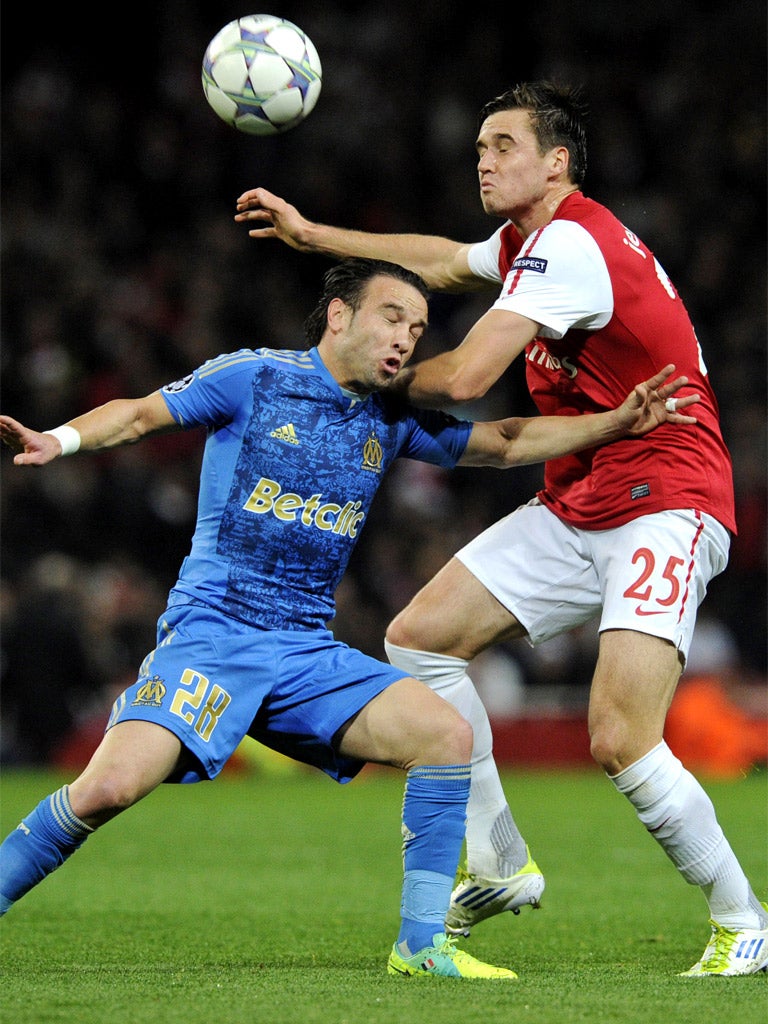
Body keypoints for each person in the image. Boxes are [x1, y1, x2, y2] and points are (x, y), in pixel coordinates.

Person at [0, 258, 695, 980]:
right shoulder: (256, 377)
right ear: (340, 316)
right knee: (106, 790)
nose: (406, 339)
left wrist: (613, 423)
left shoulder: (387, 417)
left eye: (419, 329)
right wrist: (63, 439)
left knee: (446, 735)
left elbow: (506, 442)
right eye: (392, 317)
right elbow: (142, 413)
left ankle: (421, 946)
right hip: (215, 636)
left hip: (306, 651)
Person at [233, 83, 768, 977]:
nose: (482, 158)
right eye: (478, 144)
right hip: (583, 496)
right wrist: (318, 238)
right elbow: (442, 260)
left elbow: (470, 374)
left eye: (502, 144)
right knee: (421, 640)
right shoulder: (532, 243)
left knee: (620, 737)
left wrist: (349, 373)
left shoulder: (573, 245)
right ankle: (499, 861)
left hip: (667, 496)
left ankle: (742, 918)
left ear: (555, 162)